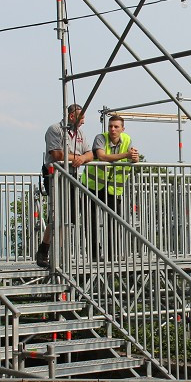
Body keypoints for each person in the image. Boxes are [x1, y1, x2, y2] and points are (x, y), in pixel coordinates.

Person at [35, 104, 94, 267]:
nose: (83, 121)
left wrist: (81, 159)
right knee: (57, 215)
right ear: (72, 117)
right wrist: (77, 157)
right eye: (81, 118)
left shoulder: (80, 133)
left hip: (72, 176)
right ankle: (45, 251)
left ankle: (54, 251)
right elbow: (56, 153)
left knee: (70, 215)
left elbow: (90, 153)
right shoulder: (55, 129)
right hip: (55, 176)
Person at [83, 115, 139, 259]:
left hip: (113, 189)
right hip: (92, 186)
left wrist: (134, 157)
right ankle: (95, 255)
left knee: (114, 222)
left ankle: (112, 255)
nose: (112, 129)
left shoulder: (127, 140)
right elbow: (102, 157)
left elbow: (132, 158)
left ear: (122, 129)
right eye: (110, 126)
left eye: (116, 127)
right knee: (91, 222)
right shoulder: (101, 138)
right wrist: (126, 154)